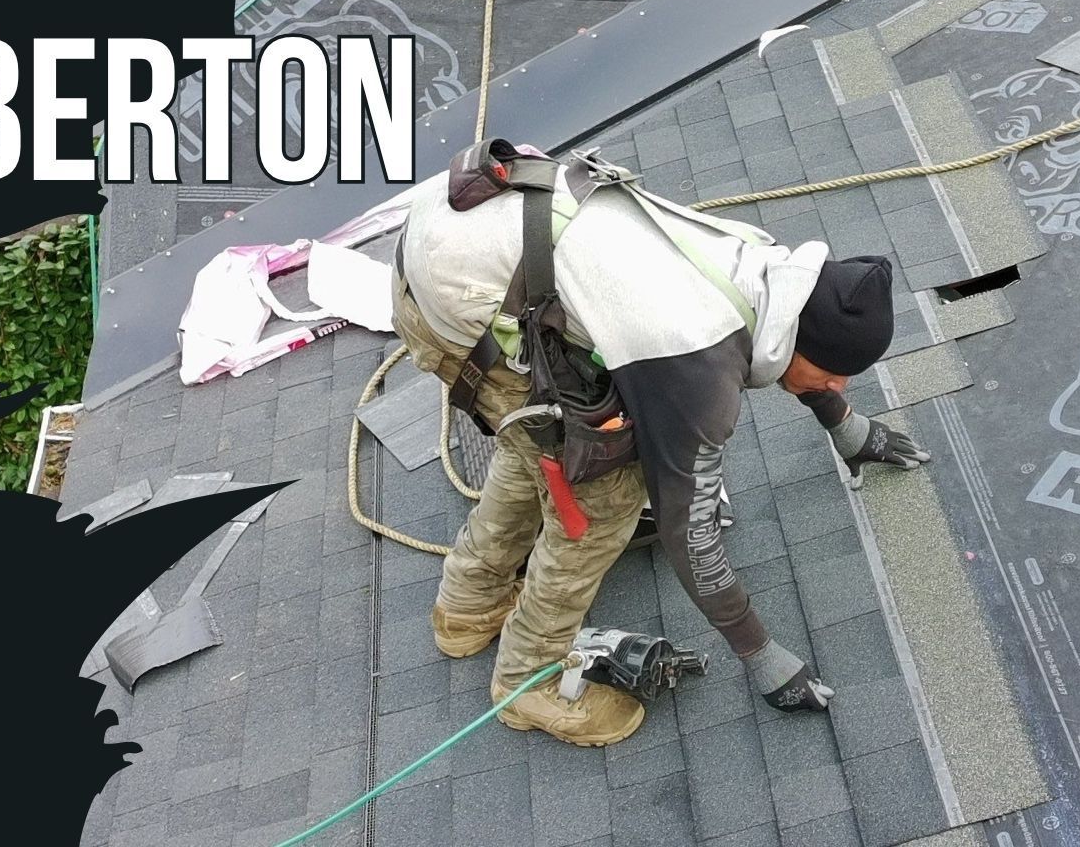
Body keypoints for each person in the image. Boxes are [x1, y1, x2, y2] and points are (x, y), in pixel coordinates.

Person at [390, 145, 931, 747]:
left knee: (536, 447)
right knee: (600, 501)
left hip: (445, 239)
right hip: (459, 309)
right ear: (799, 338)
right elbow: (689, 532)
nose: (839, 386)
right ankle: (529, 681)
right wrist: (760, 653)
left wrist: (847, 429)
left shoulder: (764, 266)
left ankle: (467, 608)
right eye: (834, 377)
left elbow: (804, 348)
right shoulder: (695, 363)